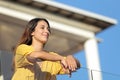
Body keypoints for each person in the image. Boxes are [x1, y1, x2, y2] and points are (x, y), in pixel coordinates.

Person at [11, 18, 81, 80]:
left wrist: (70, 57)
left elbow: (77, 66)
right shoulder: (22, 48)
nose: (47, 31)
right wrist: (61, 58)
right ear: (32, 32)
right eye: (42, 28)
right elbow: (35, 55)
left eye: (48, 29)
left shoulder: (52, 56)